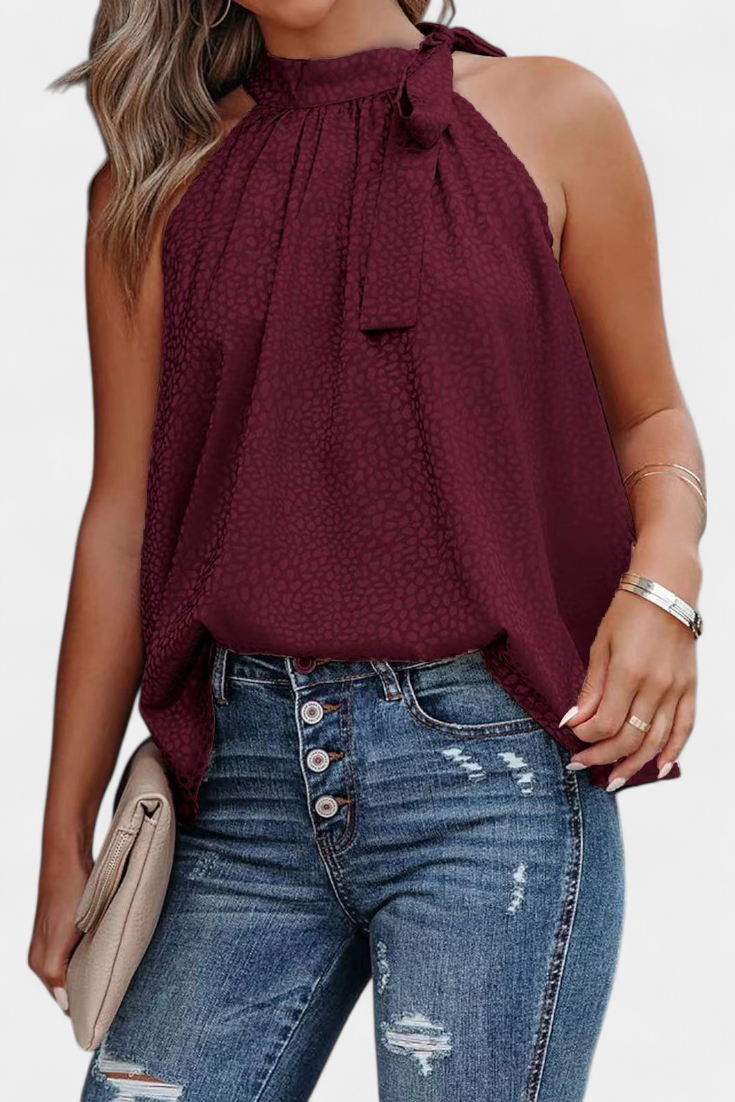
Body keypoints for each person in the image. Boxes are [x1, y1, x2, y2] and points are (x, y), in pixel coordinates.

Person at [29, 2, 706, 1099]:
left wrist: (665, 580)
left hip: (491, 781)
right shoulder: (151, 188)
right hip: (236, 798)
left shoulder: (553, 115)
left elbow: (652, 417)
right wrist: (63, 837)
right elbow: (121, 523)